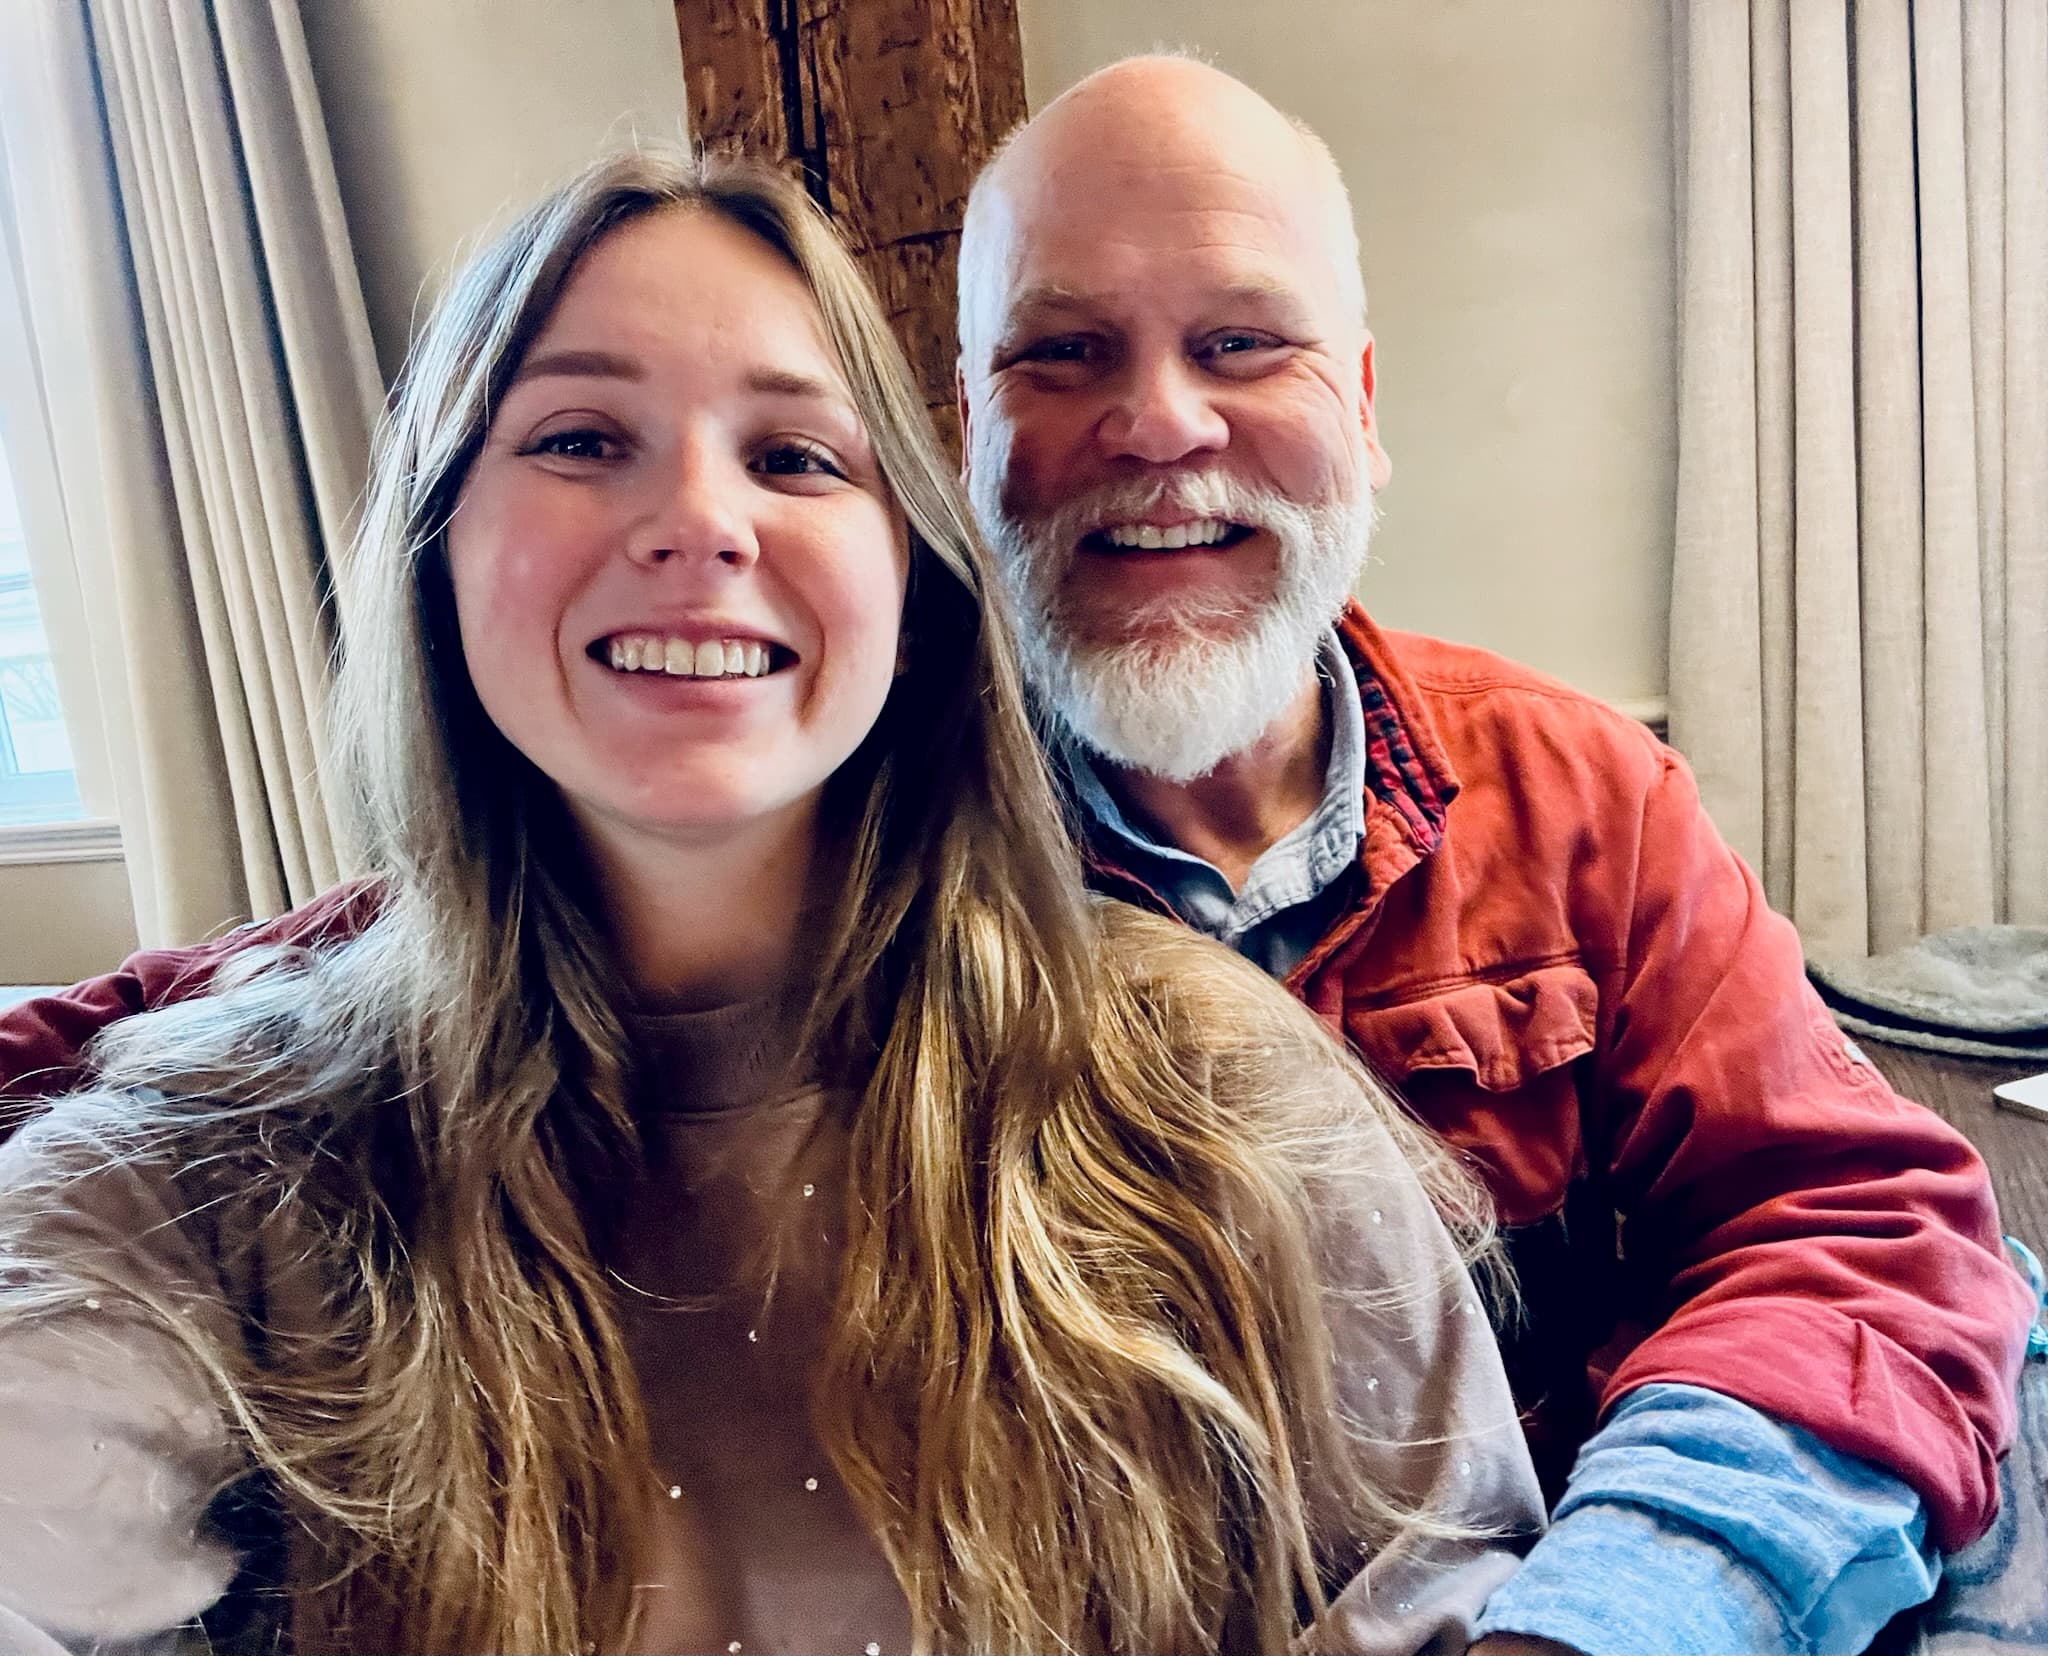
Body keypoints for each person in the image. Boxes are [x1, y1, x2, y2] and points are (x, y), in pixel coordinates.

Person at [0, 148, 1543, 1656]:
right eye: (581, 439)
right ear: (435, 547)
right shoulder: (221, 1177)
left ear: (913, 583)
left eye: (797, 457)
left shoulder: (1216, 1088)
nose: (700, 523)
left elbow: (1438, 1582)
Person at [948, 54, 2035, 1656]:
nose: (1162, 422)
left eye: (1244, 343)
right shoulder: (842, 875)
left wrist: (1601, 1625)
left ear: (1364, 409)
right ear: (964, 424)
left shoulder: (1579, 791)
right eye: (1064, 352)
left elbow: (1852, 1234)